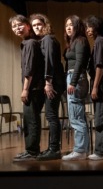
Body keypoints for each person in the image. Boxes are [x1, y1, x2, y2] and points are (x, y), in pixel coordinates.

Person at [29, 14, 66, 161]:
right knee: (51, 115)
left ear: (45, 25)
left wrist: (48, 82)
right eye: (34, 25)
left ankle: (54, 149)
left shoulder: (48, 39)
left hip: (54, 82)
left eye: (39, 24)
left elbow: (50, 62)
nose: (36, 27)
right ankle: (52, 148)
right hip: (53, 81)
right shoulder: (44, 40)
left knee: (51, 116)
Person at [10, 15, 45, 162]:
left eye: (19, 25)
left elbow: (29, 69)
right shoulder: (26, 43)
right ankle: (30, 150)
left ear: (27, 26)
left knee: (31, 120)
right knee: (29, 119)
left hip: (33, 88)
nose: (17, 28)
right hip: (32, 87)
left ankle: (32, 151)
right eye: (14, 26)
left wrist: (25, 89)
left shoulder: (30, 43)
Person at [62, 15, 91, 160]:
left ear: (77, 26)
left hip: (76, 78)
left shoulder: (80, 40)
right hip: (75, 77)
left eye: (71, 25)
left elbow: (79, 62)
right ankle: (83, 150)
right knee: (78, 115)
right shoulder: (74, 42)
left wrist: (72, 82)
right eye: (66, 25)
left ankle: (80, 150)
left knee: (76, 116)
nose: (68, 27)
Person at [85, 15, 103, 160]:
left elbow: (100, 66)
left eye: (89, 26)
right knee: (100, 115)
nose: (87, 30)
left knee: (101, 116)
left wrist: (95, 86)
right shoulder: (98, 41)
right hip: (99, 82)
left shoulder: (101, 41)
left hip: (101, 83)